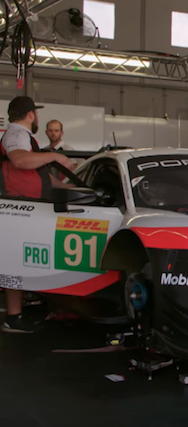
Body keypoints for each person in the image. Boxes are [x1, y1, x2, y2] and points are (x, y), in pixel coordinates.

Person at [0, 96, 74, 333]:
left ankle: (18, 310)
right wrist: (54, 156)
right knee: (14, 260)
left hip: (27, 207)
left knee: (20, 260)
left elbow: (41, 177)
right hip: (19, 208)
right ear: (31, 114)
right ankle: (13, 317)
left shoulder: (24, 137)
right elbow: (20, 160)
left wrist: (73, 188)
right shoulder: (17, 134)